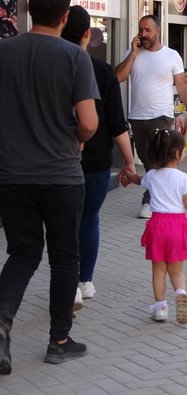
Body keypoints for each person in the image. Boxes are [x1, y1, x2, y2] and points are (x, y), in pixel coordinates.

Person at [0, 0, 99, 373]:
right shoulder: (75, 58)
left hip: (11, 176)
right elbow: (89, 123)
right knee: (64, 258)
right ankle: (59, 341)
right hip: (61, 175)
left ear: (28, 12)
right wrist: (74, 137)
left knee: (22, 254)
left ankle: (1, 322)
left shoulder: (3, 52)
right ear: (64, 17)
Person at [61, 5, 137, 306]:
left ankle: (70, 285)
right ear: (86, 34)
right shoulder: (102, 71)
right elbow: (117, 124)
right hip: (94, 163)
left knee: (64, 224)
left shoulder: (51, 64)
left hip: (55, 159)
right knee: (89, 219)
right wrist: (130, 161)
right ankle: (85, 280)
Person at [115, 14, 187, 220]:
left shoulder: (171, 56)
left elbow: (182, 87)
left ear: (157, 32)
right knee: (147, 161)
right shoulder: (132, 53)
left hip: (161, 116)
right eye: (141, 30)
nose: (143, 34)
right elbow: (117, 77)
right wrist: (133, 53)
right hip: (137, 116)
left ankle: (150, 201)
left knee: (160, 159)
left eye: (148, 30)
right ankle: (160, 197)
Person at [122, 129, 187, 323]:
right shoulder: (184, 179)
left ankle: (160, 308)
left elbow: (138, 180)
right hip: (177, 227)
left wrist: (128, 174)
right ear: (177, 154)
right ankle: (181, 294)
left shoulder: (152, 176)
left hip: (158, 226)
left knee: (158, 270)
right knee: (176, 270)